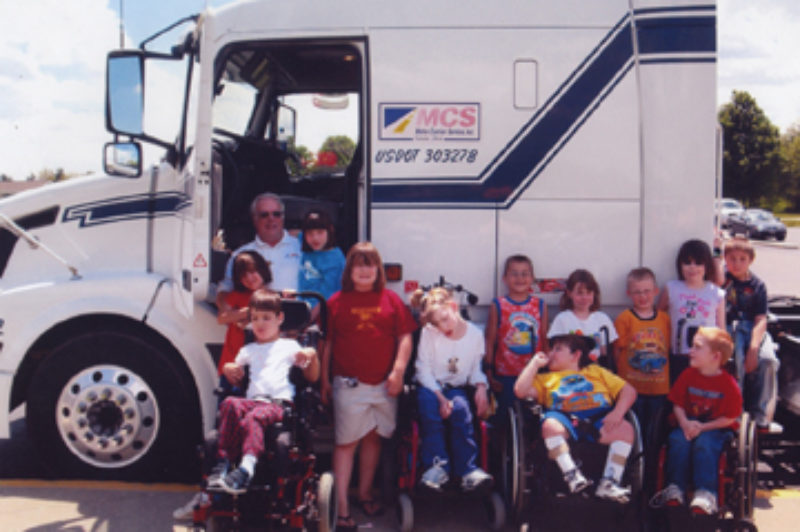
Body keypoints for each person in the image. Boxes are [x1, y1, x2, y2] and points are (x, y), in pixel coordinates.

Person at [320, 242, 417, 531]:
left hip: (384, 384)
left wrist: (398, 372)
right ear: (349, 270)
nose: (364, 270)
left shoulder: (391, 300)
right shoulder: (336, 302)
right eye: (358, 264)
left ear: (378, 269)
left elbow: (405, 339)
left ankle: (364, 493)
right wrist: (324, 380)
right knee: (346, 443)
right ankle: (342, 507)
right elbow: (328, 344)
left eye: (369, 264)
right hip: (349, 384)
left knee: (373, 438)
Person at [208, 289, 319, 493]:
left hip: (277, 404)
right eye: (255, 318)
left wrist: (310, 354)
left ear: (280, 319)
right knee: (230, 403)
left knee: (254, 417)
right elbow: (232, 368)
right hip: (253, 401)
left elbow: (312, 376)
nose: (260, 323)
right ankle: (223, 463)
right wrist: (227, 368)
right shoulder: (247, 350)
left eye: (266, 318)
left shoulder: (289, 346)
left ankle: (246, 469)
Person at [514, 333, 637, 503]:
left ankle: (609, 482)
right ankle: (571, 475)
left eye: (558, 349)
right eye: (551, 349)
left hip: (598, 417)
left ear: (576, 355)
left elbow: (629, 391)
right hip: (563, 417)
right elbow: (520, 391)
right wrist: (534, 364)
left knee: (626, 429)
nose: (551, 354)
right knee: (550, 426)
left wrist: (618, 413)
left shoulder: (596, 371)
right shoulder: (544, 379)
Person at [649, 327, 742, 515]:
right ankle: (675, 488)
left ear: (715, 357)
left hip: (715, 427)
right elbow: (677, 404)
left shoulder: (729, 384)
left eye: (697, 347)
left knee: (705, 443)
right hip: (687, 423)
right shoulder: (688, 375)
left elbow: (730, 418)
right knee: (678, 440)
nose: (690, 351)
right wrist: (684, 423)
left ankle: (706, 493)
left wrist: (703, 427)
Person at [412, 287, 493, 492]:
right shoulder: (428, 333)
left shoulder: (475, 335)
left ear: (454, 307)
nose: (442, 327)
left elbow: (475, 369)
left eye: (445, 319)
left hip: (456, 387)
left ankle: (467, 470)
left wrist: (481, 387)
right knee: (429, 410)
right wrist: (440, 398)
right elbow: (423, 370)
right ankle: (437, 466)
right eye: (437, 324)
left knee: (461, 411)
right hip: (431, 388)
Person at [720, 236, 781, 431]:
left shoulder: (757, 286)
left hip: (752, 329)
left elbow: (760, 319)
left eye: (742, 259)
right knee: (735, 360)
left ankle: (761, 414)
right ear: (725, 260)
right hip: (729, 328)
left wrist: (754, 349)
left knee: (769, 361)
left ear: (750, 261)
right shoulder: (722, 280)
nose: (736, 264)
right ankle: (735, 413)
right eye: (732, 259)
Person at [484, 254, 547, 423]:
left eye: (525, 273)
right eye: (514, 273)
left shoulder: (540, 305)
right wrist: (489, 372)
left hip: (534, 374)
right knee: (505, 419)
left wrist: (548, 370)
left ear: (532, 278)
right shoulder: (498, 304)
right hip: (505, 375)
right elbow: (490, 340)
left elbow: (544, 339)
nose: (520, 278)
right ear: (505, 278)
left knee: (533, 419)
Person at [613, 267, 671, 443]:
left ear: (655, 291)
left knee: (655, 436)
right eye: (637, 292)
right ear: (629, 294)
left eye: (647, 291)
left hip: (659, 389)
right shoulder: (624, 319)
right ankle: (634, 469)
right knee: (633, 435)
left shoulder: (664, 318)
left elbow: (666, 348)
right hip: (632, 390)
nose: (643, 296)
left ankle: (652, 471)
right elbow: (617, 351)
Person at [658, 239, 725, 383]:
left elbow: (721, 330)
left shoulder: (716, 293)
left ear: (707, 265)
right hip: (679, 355)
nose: (692, 268)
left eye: (698, 263)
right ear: (680, 265)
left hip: (706, 357)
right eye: (687, 263)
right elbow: (658, 315)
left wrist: (718, 250)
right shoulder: (671, 288)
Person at [217, 192, 301, 298]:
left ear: (283, 217)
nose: (271, 219)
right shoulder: (240, 255)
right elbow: (226, 288)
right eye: (264, 215)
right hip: (256, 313)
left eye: (276, 214)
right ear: (254, 219)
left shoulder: (303, 248)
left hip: (301, 312)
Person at [216, 251, 272, 392]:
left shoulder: (273, 297)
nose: (249, 278)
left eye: (252, 271)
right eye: (243, 275)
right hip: (232, 362)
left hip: (260, 366)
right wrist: (248, 312)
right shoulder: (237, 296)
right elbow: (222, 318)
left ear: (262, 270)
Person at [548, 269, 617, 364]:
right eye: (580, 293)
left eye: (588, 293)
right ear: (569, 293)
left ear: (594, 293)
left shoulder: (602, 319)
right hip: (569, 370)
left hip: (595, 369)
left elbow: (605, 353)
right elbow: (555, 350)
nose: (584, 297)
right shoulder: (562, 319)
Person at [298, 210, 346, 304]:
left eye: (320, 232)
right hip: (302, 306)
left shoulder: (335, 259)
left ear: (330, 231)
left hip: (321, 312)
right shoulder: (308, 247)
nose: (315, 238)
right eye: (310, 233)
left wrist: (310, 317)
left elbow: (327, 296)